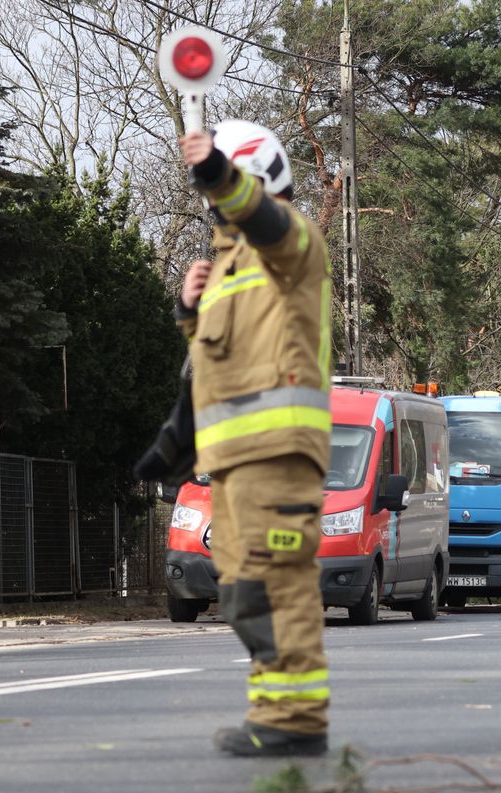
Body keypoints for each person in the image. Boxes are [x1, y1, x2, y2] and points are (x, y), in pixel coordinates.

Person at [177, 120, 333, 757]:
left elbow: (263, 219)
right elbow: (222, 366)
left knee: (279, 581)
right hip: (234, 462)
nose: (218, 200)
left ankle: (297, 721)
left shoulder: (293, 239)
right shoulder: (232, 266)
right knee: (244, 593)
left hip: (279, 453)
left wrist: (216, 170)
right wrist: (192, 316)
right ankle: (274, 710)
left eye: (230, 183)